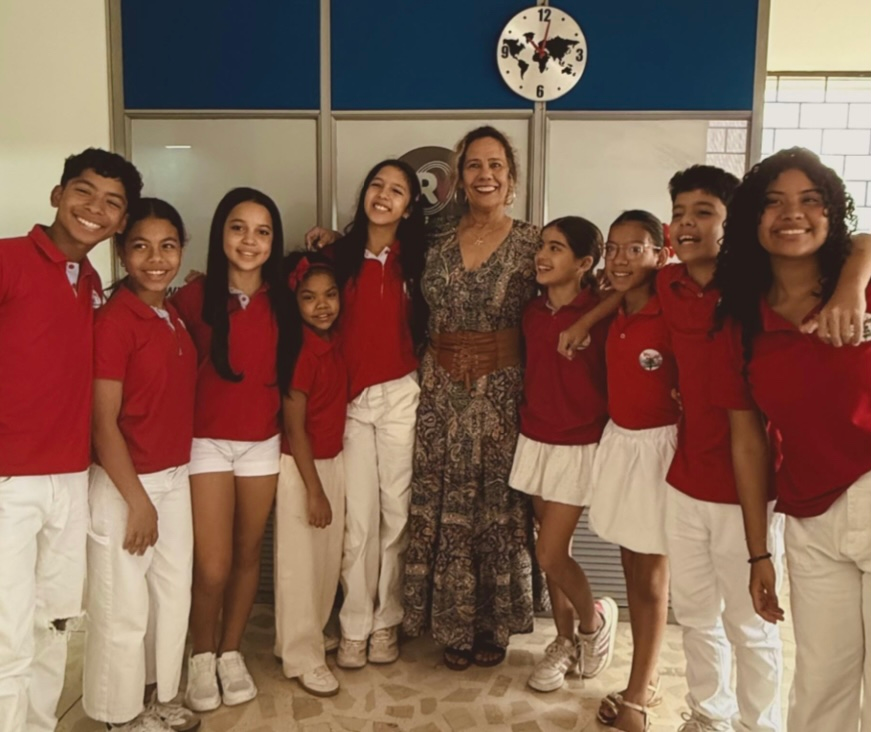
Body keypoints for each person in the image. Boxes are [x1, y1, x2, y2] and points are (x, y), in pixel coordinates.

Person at [712, 147, 871, 732]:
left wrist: (853, 286)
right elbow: (748, 444)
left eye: (811, 200)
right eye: (774, 202)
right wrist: (759, 553)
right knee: (820, 685)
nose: (793, 214)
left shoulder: (861, 285)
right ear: (752, 220)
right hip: (810, 516)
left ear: (831, 213)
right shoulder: (741, 321)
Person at [0, 148, 142, 732]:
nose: (94, 208)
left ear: (121, 221)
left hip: (70, 478)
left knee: (54, 623)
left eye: (112, 202)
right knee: (7, 636)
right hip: (9, 482)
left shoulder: (91, 284)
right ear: (58, 195)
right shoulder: (8, 259)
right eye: (84, 191)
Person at [83, 199, 199, 732]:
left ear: (181, 249)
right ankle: (119, 714)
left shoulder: (170, 313)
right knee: (123, 606)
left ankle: (158, 694)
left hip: (174, 477)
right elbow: (102, 423)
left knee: (170, 597)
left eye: (167, 246)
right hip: (125, 483)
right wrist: (137, 501)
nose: (156, 259)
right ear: (121, 252)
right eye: (141, 247)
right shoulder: (114, 322)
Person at [172, 188, 288, 712]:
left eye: (262, 232)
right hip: (205, 444)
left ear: (273, 241)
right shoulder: (192, 298)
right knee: (213, 564)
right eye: (238, 227)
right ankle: (201, 655)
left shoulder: (284, 297)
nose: (249, 241)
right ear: (221, 232)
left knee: (247, 554)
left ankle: (230, 652)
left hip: (261, 443)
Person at [510, 217, 617, 691]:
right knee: (557, 553)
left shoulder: (603, 309)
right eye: (542, 245)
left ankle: (594, 623)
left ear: (584, 263)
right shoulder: (532, 311)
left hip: (579, 444)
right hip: (535, 439)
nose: (542, 255)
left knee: (549, 553)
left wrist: (591, 315)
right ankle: (564, 641)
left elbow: (646, 284)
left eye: (556, 248)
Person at [329, 160, 428, 669]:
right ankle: (354, 624)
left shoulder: (420, 260)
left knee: (396, 515)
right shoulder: (335, 257)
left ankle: (387, 620)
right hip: (350, 402)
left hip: (400, 396)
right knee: (358, 521)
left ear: (409, 207)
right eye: (377, 185)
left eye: (397, 191)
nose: (384, 196)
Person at [588, 211, 677, 732]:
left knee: (652, 578)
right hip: (621, 443)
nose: (620, 259)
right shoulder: (617, 305)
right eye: (613, 248)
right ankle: (644, 677)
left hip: (660, 450)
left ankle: (639, 698)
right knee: (631, 570)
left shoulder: (672, 306)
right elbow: (617, 294)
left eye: (635, 248)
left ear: (660, 255)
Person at [274, 253, 348, 697]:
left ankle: (308, 635)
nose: (322, 305)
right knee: (299, 566)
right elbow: (294, 427)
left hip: (330, 462)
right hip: (302, 468)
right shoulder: (301, 352)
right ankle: (301, 655)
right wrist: (314, 490)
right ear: (294, 302)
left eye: (330, 295)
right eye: (309, 297)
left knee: (324, 560)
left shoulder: (332, 341)